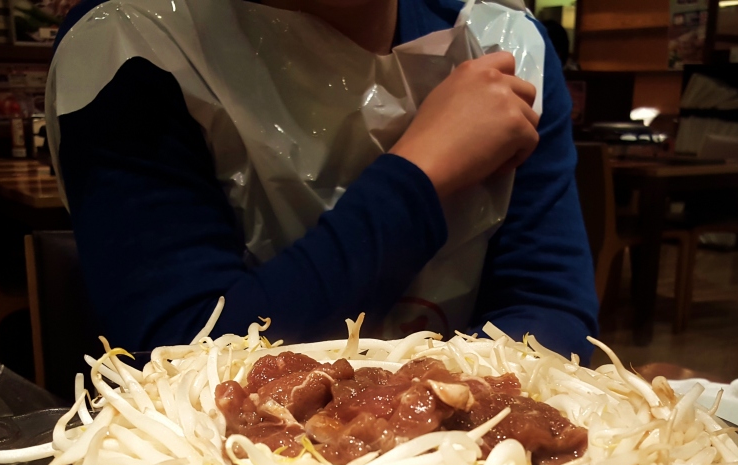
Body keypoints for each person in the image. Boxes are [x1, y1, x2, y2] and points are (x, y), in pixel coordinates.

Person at [49, 0, 599, 360]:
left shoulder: (505, 44)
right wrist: (421, 172)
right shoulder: (133, 45)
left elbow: (550, 315)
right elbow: (179, 359)